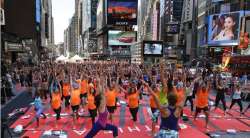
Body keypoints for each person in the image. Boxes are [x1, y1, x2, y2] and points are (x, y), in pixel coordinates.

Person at [85, 74, 118, 138]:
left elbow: (102, 92)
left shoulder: (101, 103)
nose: (104, 98)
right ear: (101, 100)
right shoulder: (101, 106)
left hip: (103, 125)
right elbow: (102, 93)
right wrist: (101, 83)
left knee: (115, 128)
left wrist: (101, 82)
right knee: (88, 136)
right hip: (99, 125)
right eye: (103, 98)